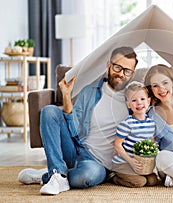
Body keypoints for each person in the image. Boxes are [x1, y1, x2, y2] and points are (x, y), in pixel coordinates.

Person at [17, 47, 138, 195]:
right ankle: (58, 174)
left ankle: (52, 174)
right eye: (118, 67)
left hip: (98, 164)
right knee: (49, 111)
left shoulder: (135, 99)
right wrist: (66, 96)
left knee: (86, 177)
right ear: (109, 65)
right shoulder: (90, 92)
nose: (121, 74)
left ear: (133, 74)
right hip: (76, 149)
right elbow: (74, 129)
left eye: (127, 71)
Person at [111, 81, 158, 187]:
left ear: (149, 101)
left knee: (152, 181)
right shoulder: (127, 123)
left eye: (142, 99)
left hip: (140, 162)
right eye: (134, 100)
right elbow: (117, 144)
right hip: (124, 162)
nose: (139, 103)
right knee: (140, 182)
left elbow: (152, 141)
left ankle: (136, 173)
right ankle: (114, 177)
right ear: (128, 104)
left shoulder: (151, 123)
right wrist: (130, 161)